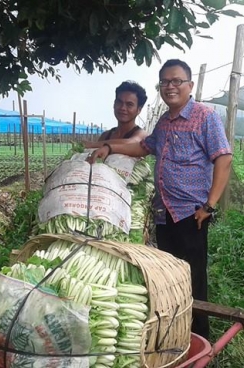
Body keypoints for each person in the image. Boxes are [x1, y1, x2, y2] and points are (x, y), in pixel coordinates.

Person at [86, 59, 233, 340]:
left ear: (189, 85)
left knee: (193, 279)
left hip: (191, 213)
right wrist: (107, 146)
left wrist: (209, 205)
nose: (170, 86)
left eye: (176, 81)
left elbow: (223, 158)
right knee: (170, 278)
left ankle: (199, 339)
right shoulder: (164, 123)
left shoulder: (205, 116)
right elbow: (143, 146)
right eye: (164, 82)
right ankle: (174, 335)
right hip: (164, 213)